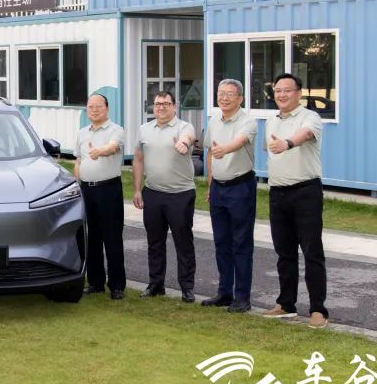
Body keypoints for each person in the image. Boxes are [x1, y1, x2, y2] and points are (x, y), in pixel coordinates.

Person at [262, 73, 329, 329]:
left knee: (312, 252)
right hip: (278, 193)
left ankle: (318, 309)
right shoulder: (271, 121)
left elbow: (306, 134)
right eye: (277, 90)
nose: (281, 94)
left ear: (298, 93)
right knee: (284, 252)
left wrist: (288, 143)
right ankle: (286, 304)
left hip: (305, 192)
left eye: (287, 90)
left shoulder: (309, 117)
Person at [132, 90, 197, 302]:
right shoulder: (144, 129)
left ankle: (187, 287)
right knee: (155, 242)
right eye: (157, 103)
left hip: (180, 194)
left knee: (183, 242)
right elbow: (138, 160)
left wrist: (183, 143)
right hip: (153, 193)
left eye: (166, 104)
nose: (161, 107)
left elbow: (188, 138)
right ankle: (156, 284)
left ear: (174, 106)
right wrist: (137, 189)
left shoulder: (184, 127)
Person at [201, 79, 258, 313]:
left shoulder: (248, 121)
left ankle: (242, 297)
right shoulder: (214, 120)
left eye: (230, 94)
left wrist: (224, 149)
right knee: (221, 242)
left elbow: (240, 141)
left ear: (240, 98)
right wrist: (210, 184)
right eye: (220, 93)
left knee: (241, 243)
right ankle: (224, 292)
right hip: (218, 188)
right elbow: (209, 153)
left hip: (240, 188)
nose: (224, 98)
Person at [74, 93, 127, 300]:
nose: (94, 110)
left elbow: (112, 147)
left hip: (108, 190)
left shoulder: (116, 130)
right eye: (90, 106)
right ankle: (95, 282)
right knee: (91, 238)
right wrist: (77, 185)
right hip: (86, 190)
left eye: (98, 106)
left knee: (112, 237)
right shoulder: (82, 133)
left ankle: (117, 285)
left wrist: (100, 151)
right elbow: (78, 161)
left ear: (107, 108)